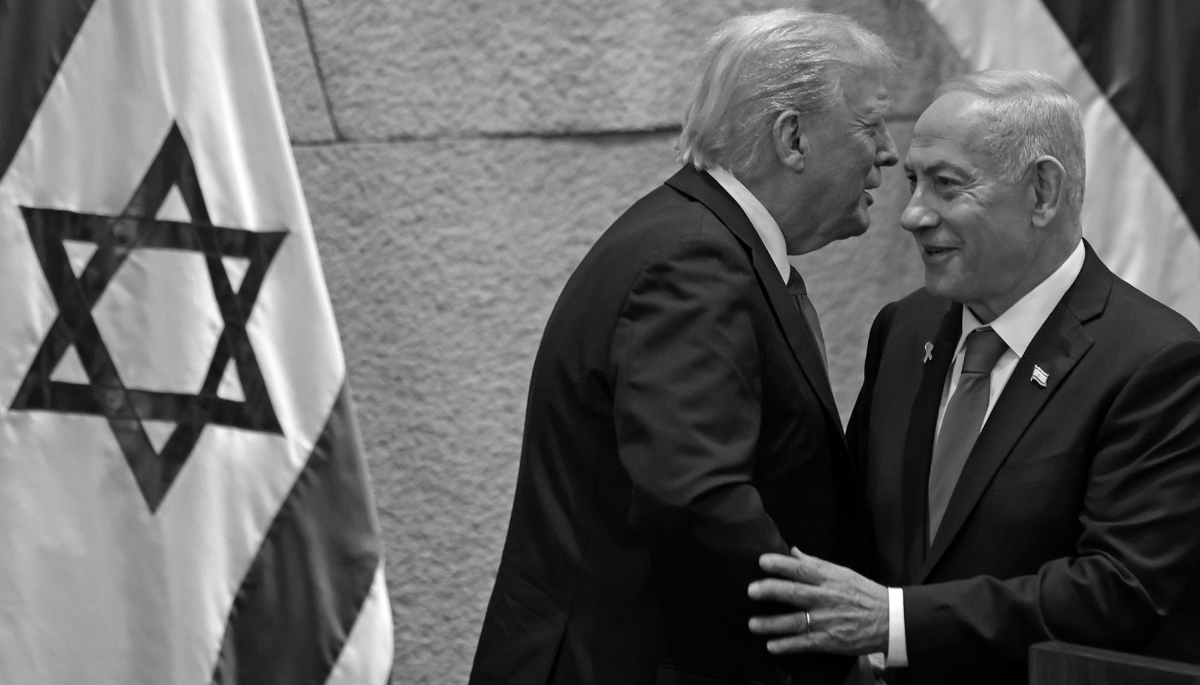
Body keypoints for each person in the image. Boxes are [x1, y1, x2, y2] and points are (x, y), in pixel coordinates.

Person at [469, 9, 899, 685]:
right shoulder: (696, 261)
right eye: (871, 125)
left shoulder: (699, 239)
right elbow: (698, 498)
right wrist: (833, 638)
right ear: (792, 138)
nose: (889, 152)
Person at [746, 69, 1200, 684]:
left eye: (946, 185)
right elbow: (853, 523)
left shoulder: (1156, 362)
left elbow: (1119, 590)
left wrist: (895, 623)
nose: (912, 215)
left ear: (1042, 192)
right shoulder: (903, 329)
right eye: (913, 181)